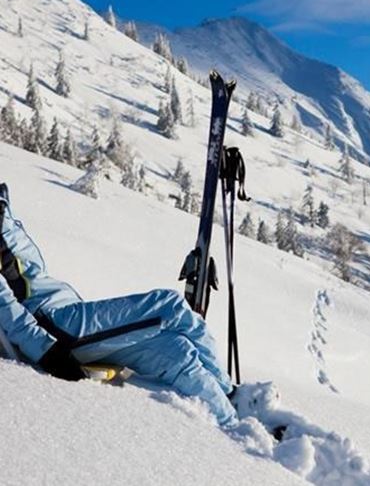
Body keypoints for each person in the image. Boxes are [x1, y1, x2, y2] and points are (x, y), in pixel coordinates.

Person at [0, 183, 237, 427]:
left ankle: (232, 425)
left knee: (177, 351)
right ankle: (231, 394)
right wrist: (46, 352)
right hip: (53, 326)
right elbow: (4, 305)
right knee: (170, 305)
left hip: (67, 319)